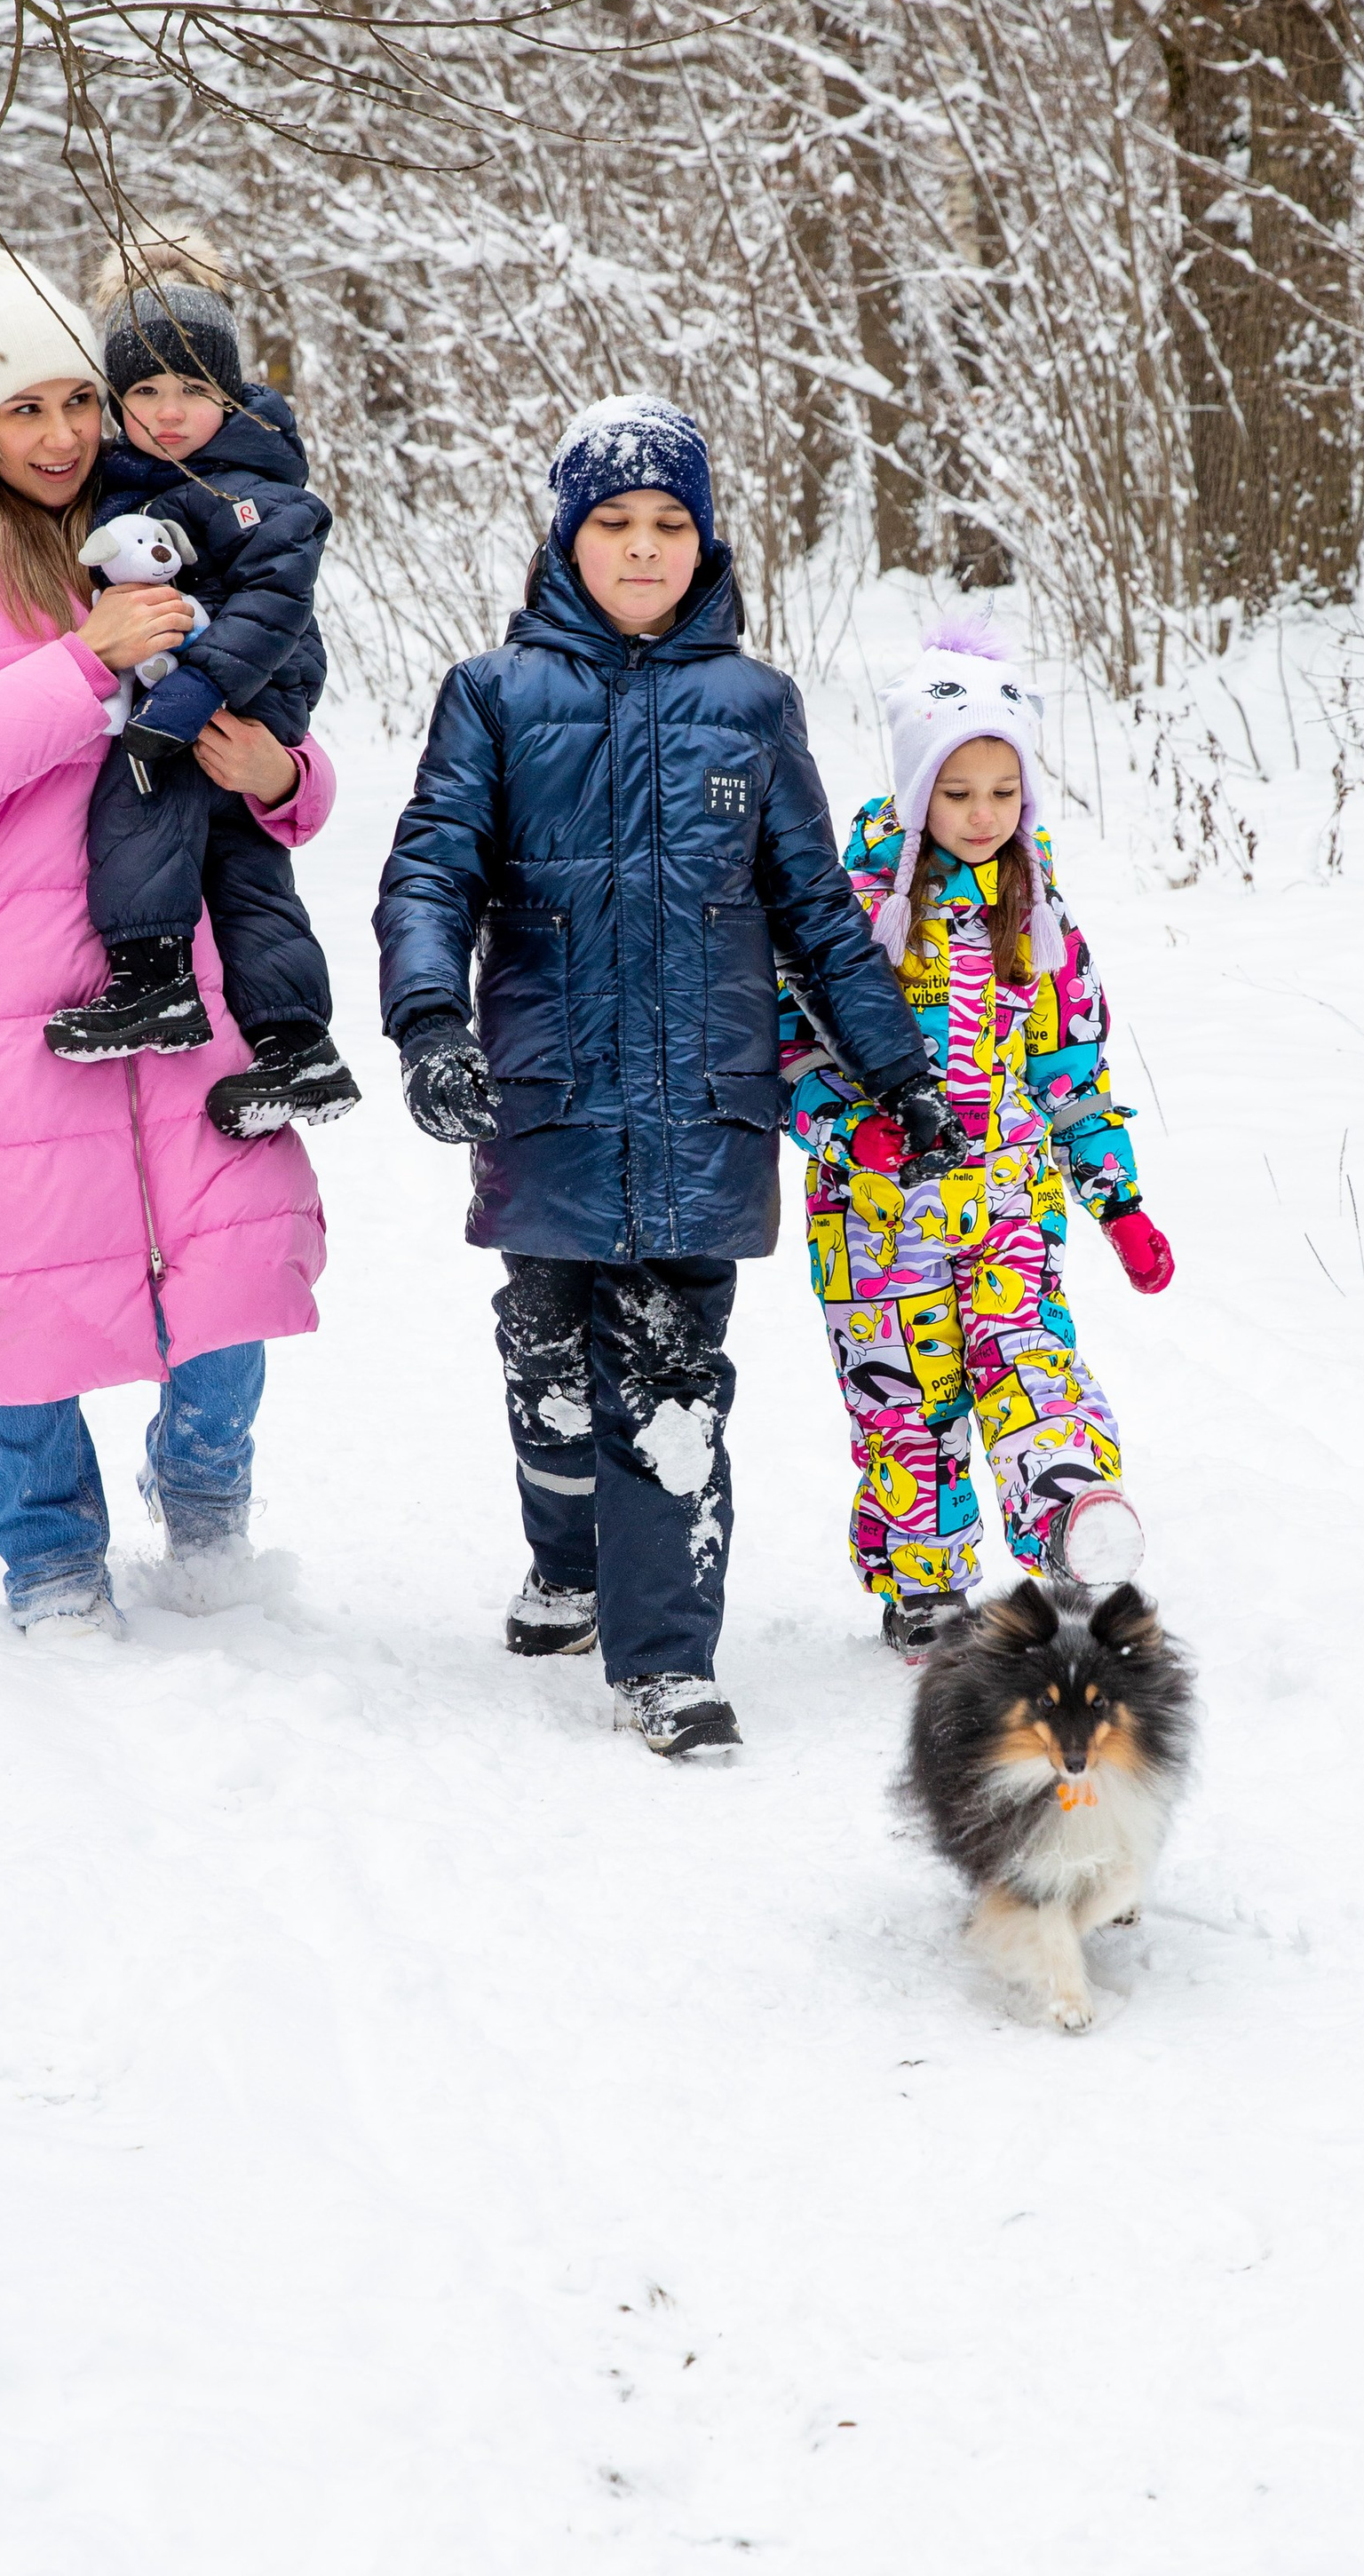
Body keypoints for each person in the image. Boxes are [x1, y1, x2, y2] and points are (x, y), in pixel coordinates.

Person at [374, 396, 964, 1758]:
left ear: (706, 544)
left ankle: (666, 1660)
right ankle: (569, 1560)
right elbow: (432, 871)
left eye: (670, 526)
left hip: (702, 1110)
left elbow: (816, 911)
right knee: (552, 1364)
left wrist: (899, 1075)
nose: (644, 549)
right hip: (548, 1099)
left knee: (672, 1378)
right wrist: (428, 1024)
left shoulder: (752, 708)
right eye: (616, 525)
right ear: (567, 540)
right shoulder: (495, 697)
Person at [0, 240, 332, 1638]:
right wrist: (81, 659)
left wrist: (283, 782)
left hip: (182, 969)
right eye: (24, 410)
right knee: (18, 1295)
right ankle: (50, 1564)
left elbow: (279, 720)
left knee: (228, 1266)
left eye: (78, 404)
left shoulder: (163, 516)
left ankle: (208, 1489)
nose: (58, 437)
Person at [779, 621, 1176, 1659]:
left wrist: (1117, 1200)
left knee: (1031, 1364)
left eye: (1003, 792)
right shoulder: (849, 907)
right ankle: (926, 1586)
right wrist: (846, 1131)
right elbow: (785, 1047)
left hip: (1008, 1206)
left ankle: (1075, 1516)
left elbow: (1069, 1073)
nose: (981, 815)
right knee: (907, 1407)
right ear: (915, 790)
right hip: (876, 1221)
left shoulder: (1036, 912)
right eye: (956, 794)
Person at [39, 228, 359, 1134]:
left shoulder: (263, 487)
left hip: (246, 684)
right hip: (204, 685)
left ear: (229, 393)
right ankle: (300, 1049)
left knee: (142, 791)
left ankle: (155, 977)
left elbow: (271, 602)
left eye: (192, 389)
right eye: (143, 391)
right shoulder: (124, 484)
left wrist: (190, 696)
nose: (168, 411)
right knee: (248, 873)